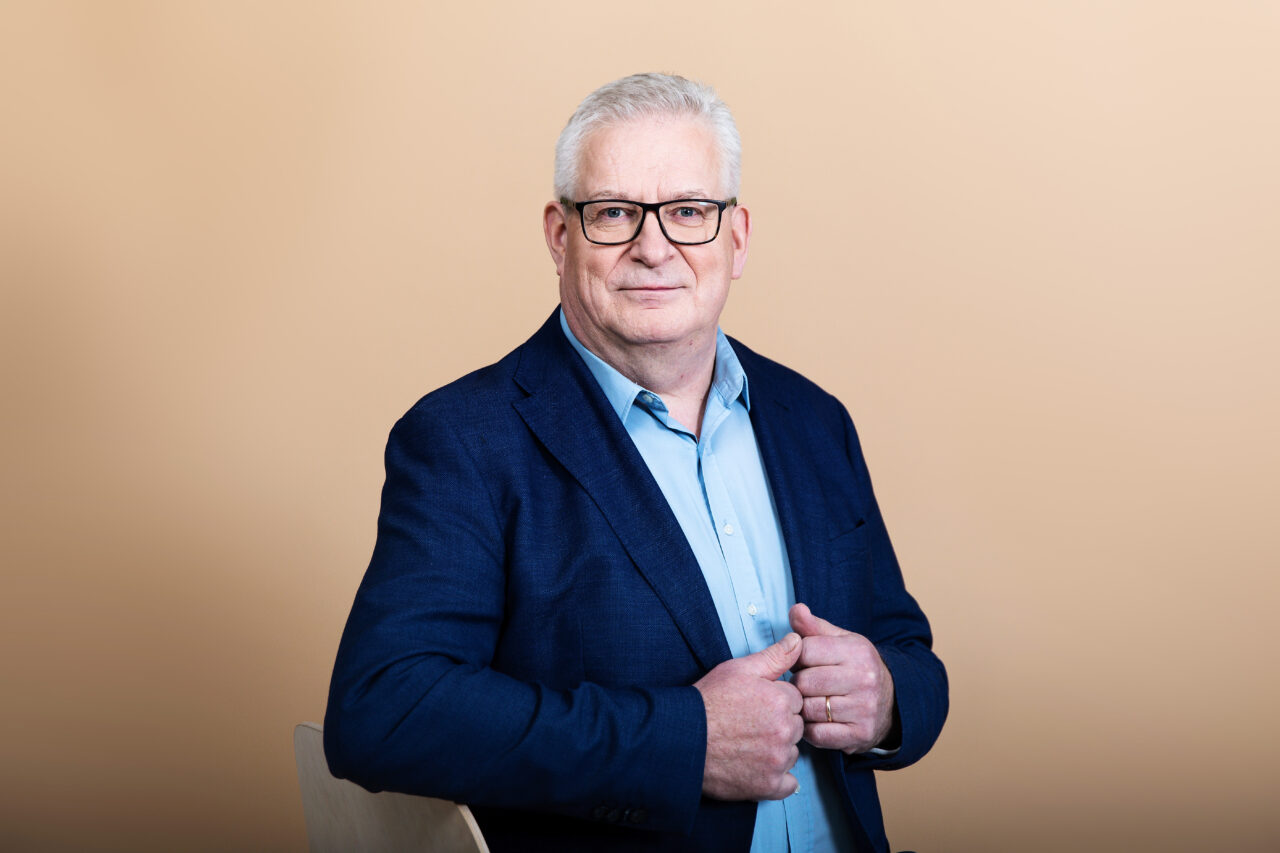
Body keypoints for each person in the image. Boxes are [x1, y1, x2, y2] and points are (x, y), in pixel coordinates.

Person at [324, 73, 947, 853]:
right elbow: (385, 710)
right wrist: (683, 739)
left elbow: (908, 651)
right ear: (560, 235)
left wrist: (885, 696)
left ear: (737, 238)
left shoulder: (815, 421)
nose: (653, 248)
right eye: (615, 212)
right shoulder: (464, 441)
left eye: (688, 212)